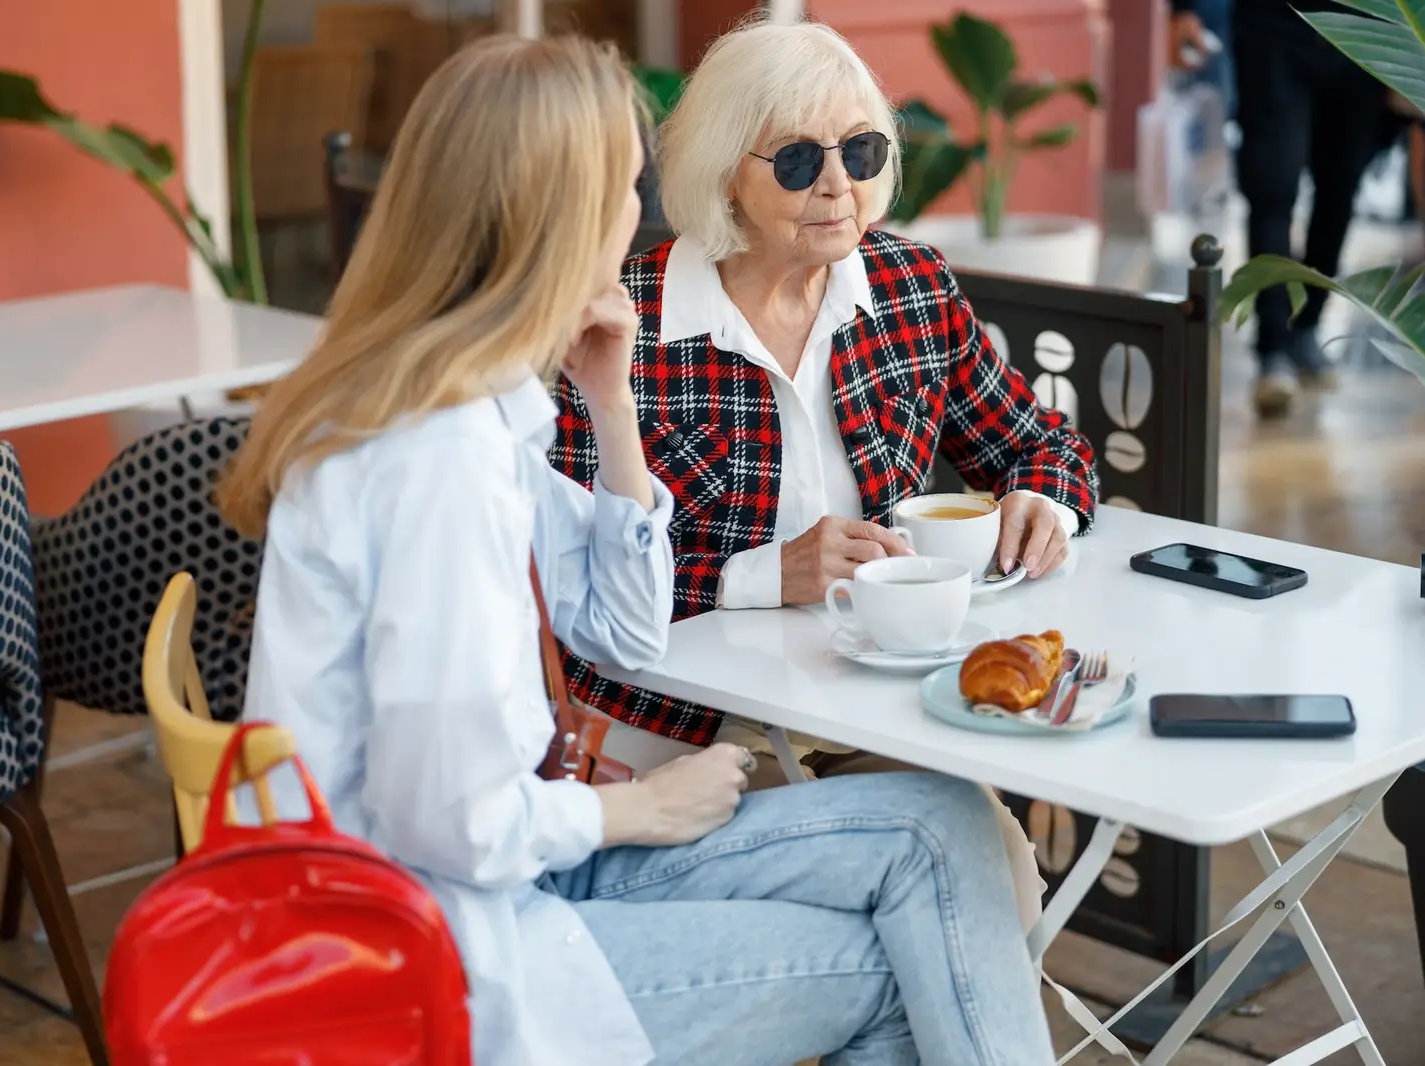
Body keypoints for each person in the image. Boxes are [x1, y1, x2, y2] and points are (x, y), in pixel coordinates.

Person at [220, 33, 1055, 1066]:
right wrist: (635, 806)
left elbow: (615, 621)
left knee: (948, 828)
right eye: (623, 187)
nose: (637, 219)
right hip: (439, 948)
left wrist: (611, 405)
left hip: (529, 865)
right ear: (556, 215)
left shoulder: (479, 409)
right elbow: (448, 818)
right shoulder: (434, 462)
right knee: (907, 957)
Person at [548, 19, 1097, 927]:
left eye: (864, 150)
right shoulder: (621, 323)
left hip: (875, 707)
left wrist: (1043, 502)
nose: (840, 184)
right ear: (726, 168)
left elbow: (1040, 445)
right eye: (799, 160)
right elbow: (569, 582)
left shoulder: (908, 285)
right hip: (679, 729)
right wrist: (769, 574)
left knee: (997, 876)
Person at [1170, 0, 1391, 416]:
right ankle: (1274, 349)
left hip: (1365, 37)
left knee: (1339, 191)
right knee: (1271, 191)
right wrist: (1184, 9)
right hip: (1273, 28)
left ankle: (1307, 326)